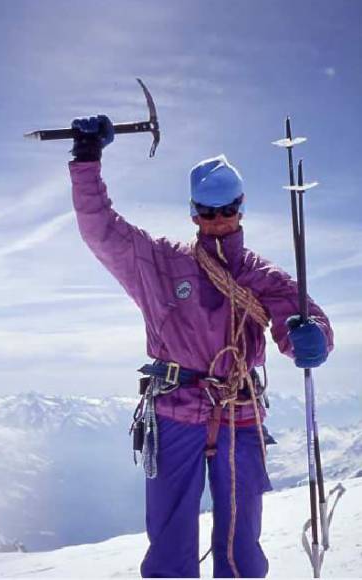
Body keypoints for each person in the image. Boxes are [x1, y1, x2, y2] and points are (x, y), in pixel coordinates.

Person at [69, 115, 333, 578]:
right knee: (171, 543)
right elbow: (102, 231)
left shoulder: (259, 275)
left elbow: (300, 318)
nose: (217, 222)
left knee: (241, 545)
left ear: (241, 207)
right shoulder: (162, 263)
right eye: (207, 212)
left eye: (226, 210)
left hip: (239, 412)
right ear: (193, 212)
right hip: (176, 411)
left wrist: (310, 339)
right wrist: (87, 160)